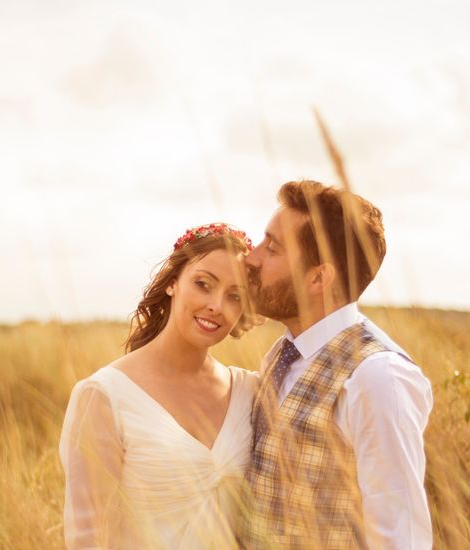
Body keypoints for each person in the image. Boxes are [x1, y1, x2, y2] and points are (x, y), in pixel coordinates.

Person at [241, 180, 433, 549]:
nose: (252, 257)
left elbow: (399, 534)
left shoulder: (378, 376)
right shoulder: (281, 354)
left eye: (273, 248)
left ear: (318, 278)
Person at [59, 223, 261, 549]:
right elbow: (89, 536)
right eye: (203, 284)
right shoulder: (104, 395)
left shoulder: (249, 391)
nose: (217, 305)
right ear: (172, 283)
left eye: (235, 296)